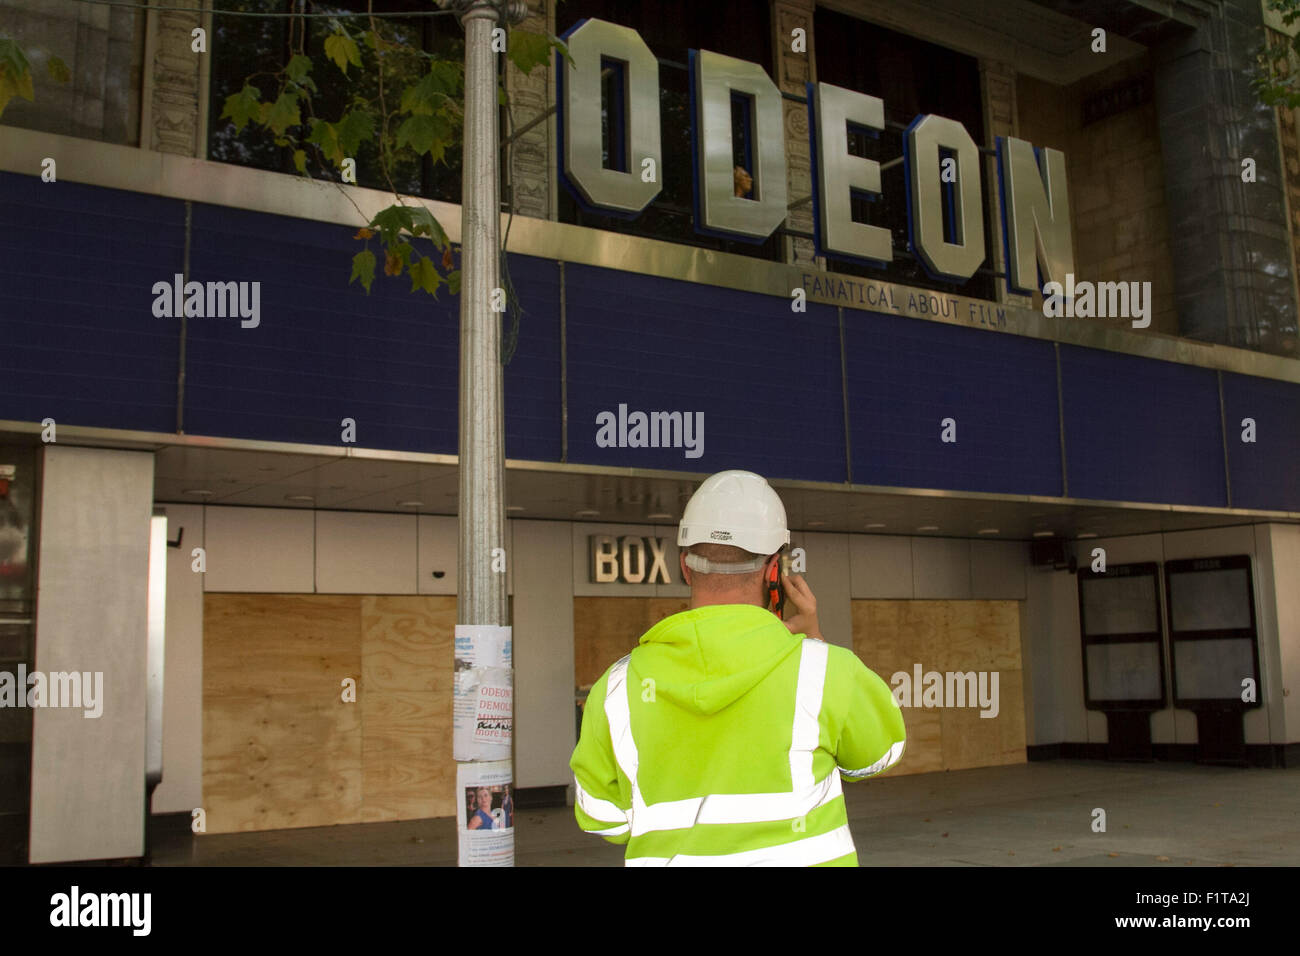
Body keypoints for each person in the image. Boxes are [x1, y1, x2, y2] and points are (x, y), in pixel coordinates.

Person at [570, 469, 905, 866]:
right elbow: (877, 756)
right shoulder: (825, 669)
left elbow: (602, 818)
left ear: (685, 567)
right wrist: (813, 641)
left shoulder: (618, 686)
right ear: (774, 571)